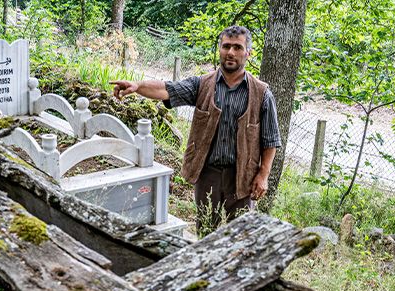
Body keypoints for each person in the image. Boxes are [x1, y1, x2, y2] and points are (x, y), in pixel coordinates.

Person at [111, 26, 281, 231]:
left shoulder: (261, 93)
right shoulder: (202, 85)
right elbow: (167, 89)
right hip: (207, 174)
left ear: (248, 53)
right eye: (226, 46)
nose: (231, 52)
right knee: (206, 232)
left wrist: (263, 175)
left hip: (243, 177)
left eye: (237, 47)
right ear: (219, 49)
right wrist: (137, 86)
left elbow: (270, 140)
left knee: (241, 238)